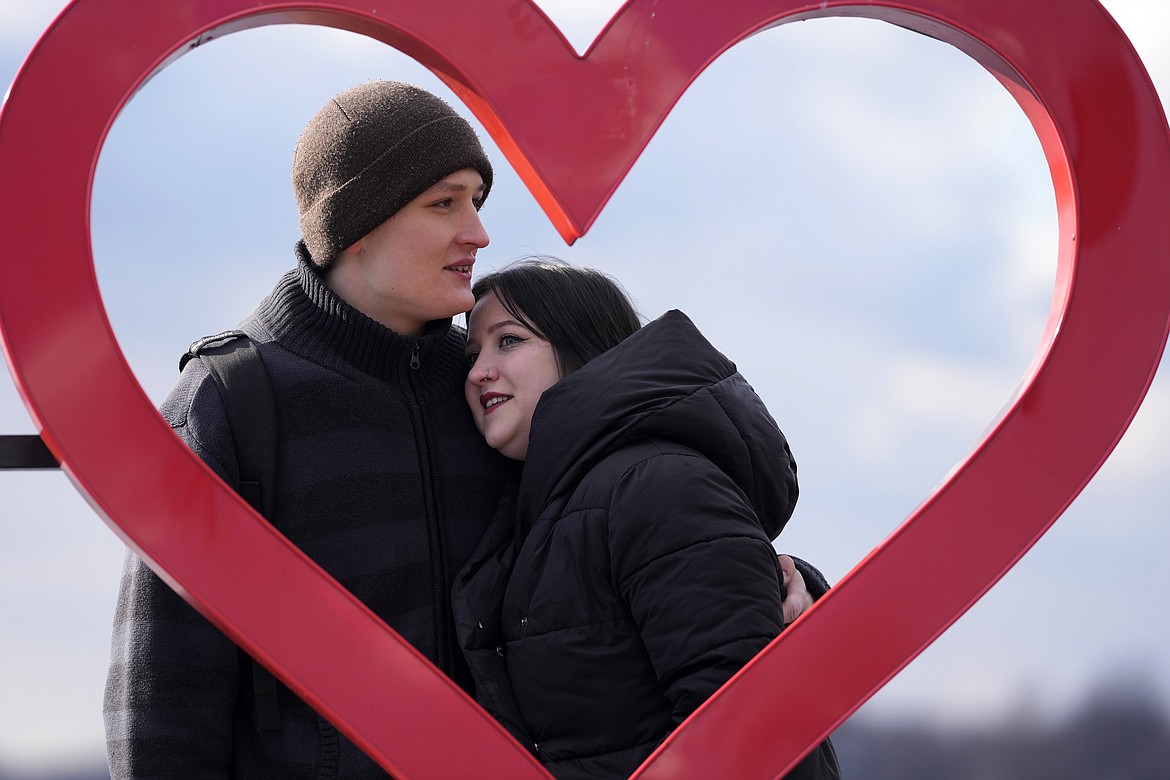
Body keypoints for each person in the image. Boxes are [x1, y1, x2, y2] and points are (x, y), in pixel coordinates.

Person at [103, 81, 819, 778]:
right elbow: (164, 696)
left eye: (475, 202)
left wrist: (790, 602)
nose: (476, 233)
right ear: (357, 225)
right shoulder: (232, 401)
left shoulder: (490, 395)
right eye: (443, 204)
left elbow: (624, 552)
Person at [453, 259, 841, 779]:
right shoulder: (544, 513)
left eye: (509, 341)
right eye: (472, 354)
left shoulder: (657, 484)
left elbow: (740, 727)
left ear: (581, 346)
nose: (478, 371)